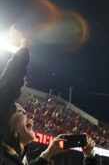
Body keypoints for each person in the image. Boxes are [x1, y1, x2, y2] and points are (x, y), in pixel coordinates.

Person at [0, 26, 98, 165]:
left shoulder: (14, 157)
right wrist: (23, 46)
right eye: (21, 112)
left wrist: (89, 156)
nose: (31, 115)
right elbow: (8, 87)